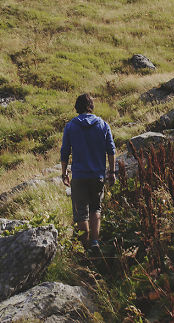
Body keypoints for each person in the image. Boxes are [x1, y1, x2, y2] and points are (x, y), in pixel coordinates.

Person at [61, 93, 116, 252]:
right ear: (91, 106)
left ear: (77, 107)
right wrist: (112, 172)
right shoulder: (103, 125)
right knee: (95, 209)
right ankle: (95, 243)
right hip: (97, 175)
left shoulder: (70, 126)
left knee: (81, 213)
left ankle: (85, 249)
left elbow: (65, 151)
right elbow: (111, 150)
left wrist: (64, 173)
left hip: (79, 176)